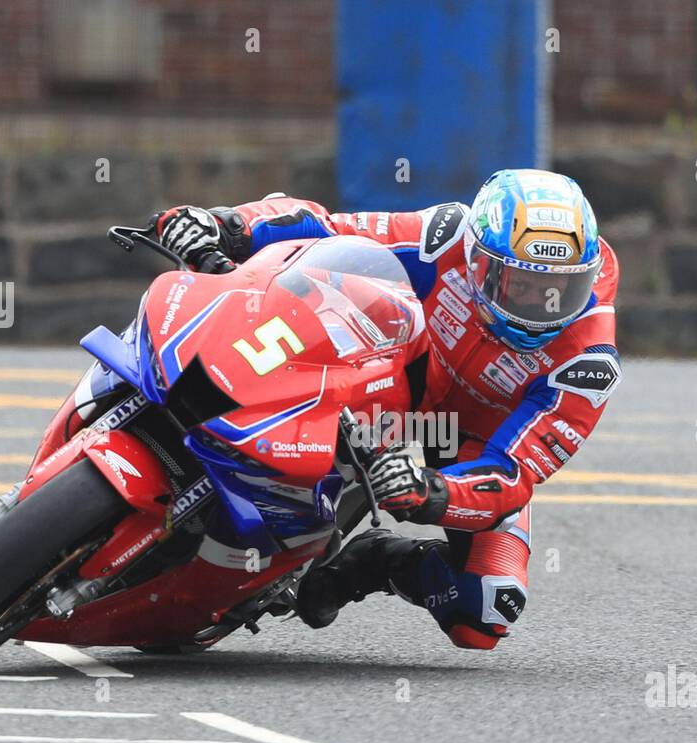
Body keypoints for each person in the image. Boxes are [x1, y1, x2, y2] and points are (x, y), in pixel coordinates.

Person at [151, 169, 621, 650]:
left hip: (466, 444)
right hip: (386, 374)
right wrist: (229, 226)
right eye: (520, 284)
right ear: (481, 261)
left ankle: (368, 563)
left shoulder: (587, 364)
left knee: (484, 611)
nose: (540, 305)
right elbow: (330, 227)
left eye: (562, 289)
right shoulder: (445, 238)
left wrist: (432, 492)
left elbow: (511, 473)